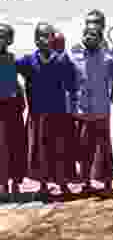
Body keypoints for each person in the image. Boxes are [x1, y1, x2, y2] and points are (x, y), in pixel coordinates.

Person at [16, 23, 79, 201]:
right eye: (41, 36)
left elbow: (73, 84)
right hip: (38, 115)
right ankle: (43, 185)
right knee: (40, 152)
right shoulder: (27, 61)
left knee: (61, 150)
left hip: (59, 115)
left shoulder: (61, 61)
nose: (45, 39)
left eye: (49, 36)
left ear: (54, 39)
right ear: (35, 40)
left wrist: (73, 106)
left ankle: (63, 183)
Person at [69, 23, 113, 195]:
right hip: (83, 110)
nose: (89, 37)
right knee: (84, 149)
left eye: (94, 35)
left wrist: (111, 95)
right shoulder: (74, 57)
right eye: (86, 34)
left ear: (100, 38)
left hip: (101, 110)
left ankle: (106, 183)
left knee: (103, 149)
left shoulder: (108, 59)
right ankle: (85, 182)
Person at [0, 24, 27, 202]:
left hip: (13, 107)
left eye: (3, 36)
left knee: (15, 145)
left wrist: (21, 98)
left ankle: (16, 183)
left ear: (10, 40)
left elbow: (16, 82)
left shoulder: (11, 58)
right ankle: (3, 185)